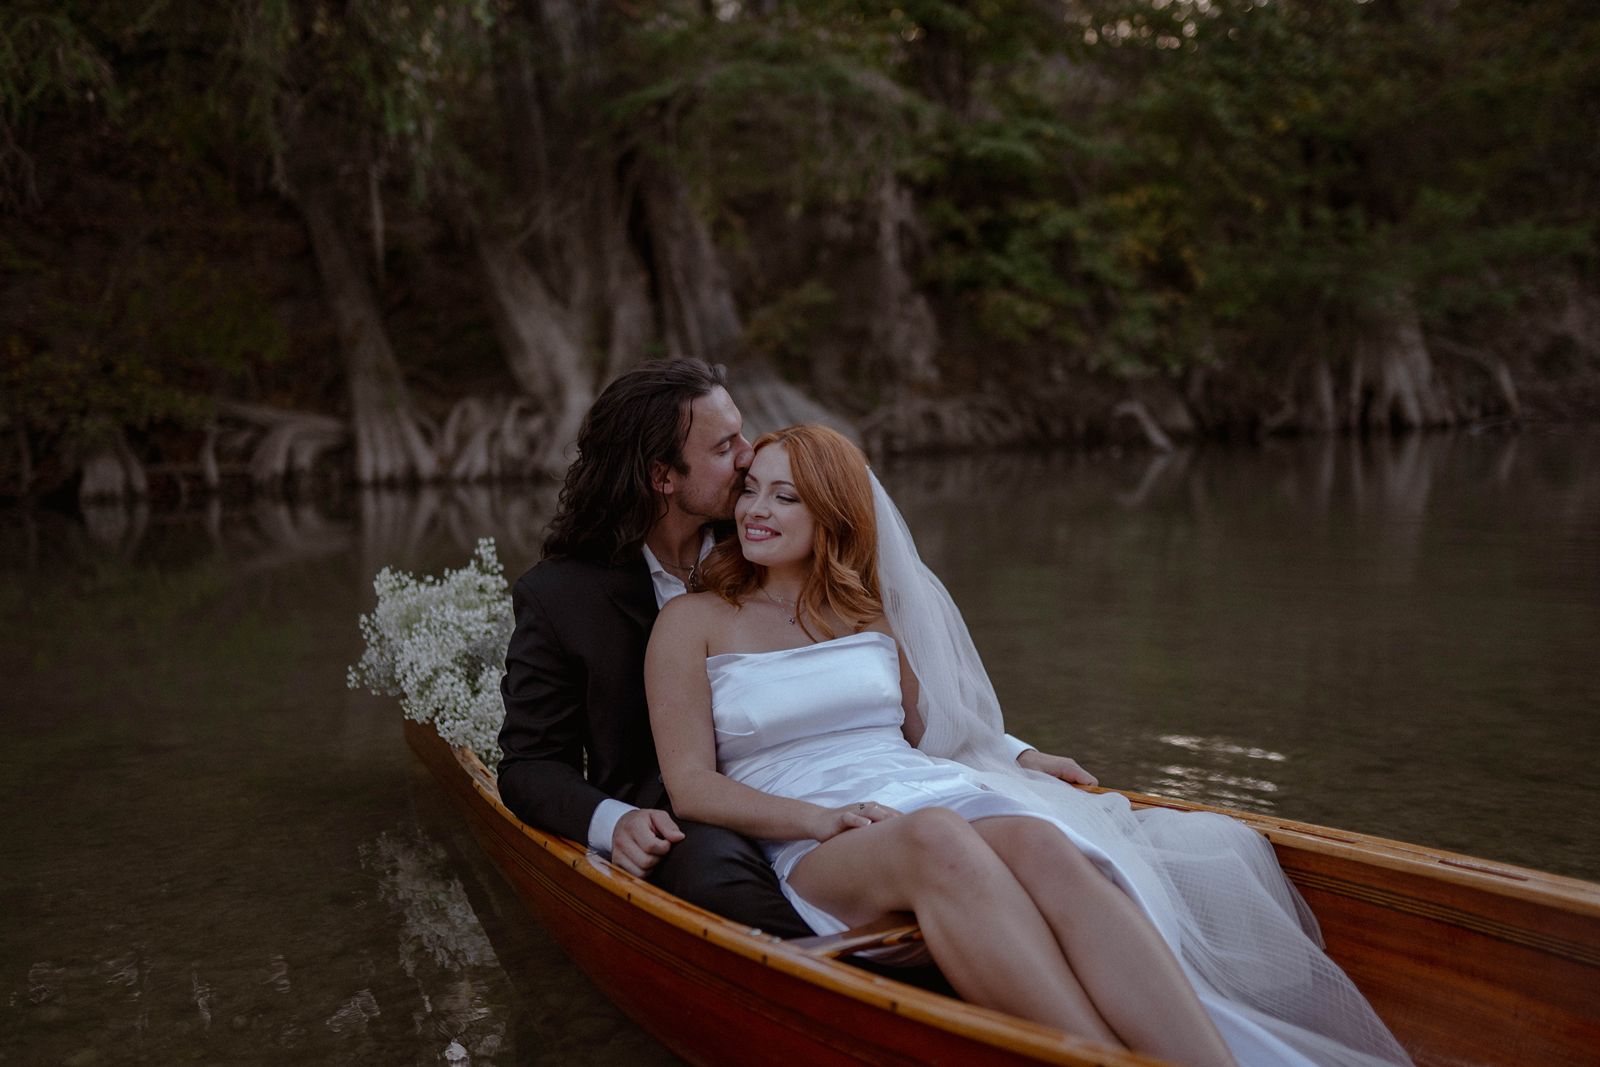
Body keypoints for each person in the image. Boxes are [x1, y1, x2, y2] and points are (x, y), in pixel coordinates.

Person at [645, 424, 1413, 1067]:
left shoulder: (866, 614)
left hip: (924, 789)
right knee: (940, 837)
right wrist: (820, 819)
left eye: (786, 496)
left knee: (1047, 843)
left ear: (833, 514)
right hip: (820, 829)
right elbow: (691, 785)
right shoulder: (695, 620)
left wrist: (1019, 757)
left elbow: (944, 729)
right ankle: (1093, 1057)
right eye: (752, 488)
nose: (756, 508)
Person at [497, 359, 1086, 938]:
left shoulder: (766, 529)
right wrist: (613, 821)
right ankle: (846, 986)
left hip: (838, 786)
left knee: (1010, 830)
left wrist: (1012, 755)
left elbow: (858, 674)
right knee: (715, 873)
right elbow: (530, 766)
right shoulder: (561, 596)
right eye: (725, 447)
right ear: (662, 476)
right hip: (686, 813)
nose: (749, 454)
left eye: (742, 434)